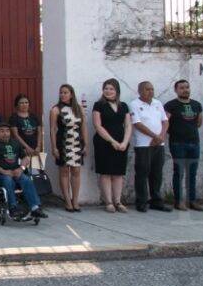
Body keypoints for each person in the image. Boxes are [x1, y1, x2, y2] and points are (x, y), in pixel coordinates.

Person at [0, 122, 47, 221]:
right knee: (8, 180)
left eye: (7, 131)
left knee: (27, 180)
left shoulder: (15, 142)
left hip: (16, 171)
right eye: (2, 131)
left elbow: (26, 158)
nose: (5, 133)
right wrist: (3, 171)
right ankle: (13, 208)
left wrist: (21, 168)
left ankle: (35, 208)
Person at [128, 81, 172, 213]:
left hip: (159, 144)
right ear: (140, 91)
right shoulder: (134, 104)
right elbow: (137, 123)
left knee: (157, 173)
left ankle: (156, 201)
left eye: (152, 89)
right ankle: (141, 201)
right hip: (143, 145)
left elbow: (165, 121)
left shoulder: (158, 103)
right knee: (142, 172)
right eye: (147, 89)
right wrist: (154, 136)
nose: (151, 92)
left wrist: (161, 136)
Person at [163, 79, 203, 211]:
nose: (185, 90)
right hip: (177, 143)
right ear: (176, 90)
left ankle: (192, 200)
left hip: (194, 142)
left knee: (192, 173)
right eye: (181, 88)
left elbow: (199, 123)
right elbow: (165, 122)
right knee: (179, 172)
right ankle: (178, 201)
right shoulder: (171, 105)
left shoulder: (197, 105)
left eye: (187, 87)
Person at [92, 79, 131, 213]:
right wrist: (112, 141)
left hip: (121, 142)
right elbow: (98, 126)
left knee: (118, 173)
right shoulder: (98, 105)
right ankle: (108, 201)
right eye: (106, 88)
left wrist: (125, 142)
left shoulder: (124, 106)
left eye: (111, 89)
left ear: (117, 91)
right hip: (104, 142)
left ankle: (118, 201)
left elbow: (128, 125)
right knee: (106, 172)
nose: (108, 91)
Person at [48, 84, 86, 212]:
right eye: (61, 92)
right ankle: (67, 200)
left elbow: (83, 127)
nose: (62, 95)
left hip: (76, 142)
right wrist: (54, 147)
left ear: (71, 94)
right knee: (64, 172)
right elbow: (53, 130)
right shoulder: (55, 110)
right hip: (63, 143)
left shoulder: (78, 108)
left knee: (76, 171)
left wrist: (85, 144)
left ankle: (75, 200)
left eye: (65, 92)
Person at [9, 95, 42, 171]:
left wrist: (38, 146)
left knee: (35, 171)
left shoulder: (34, 116)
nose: (24, 104)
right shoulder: (14, 118)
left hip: (35, 149)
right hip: (21, 149)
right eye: (21, 103)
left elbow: (39, 132)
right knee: (24, 171)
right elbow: (15, 135)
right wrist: (26, 147)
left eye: (26, 102)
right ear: (17, 105)